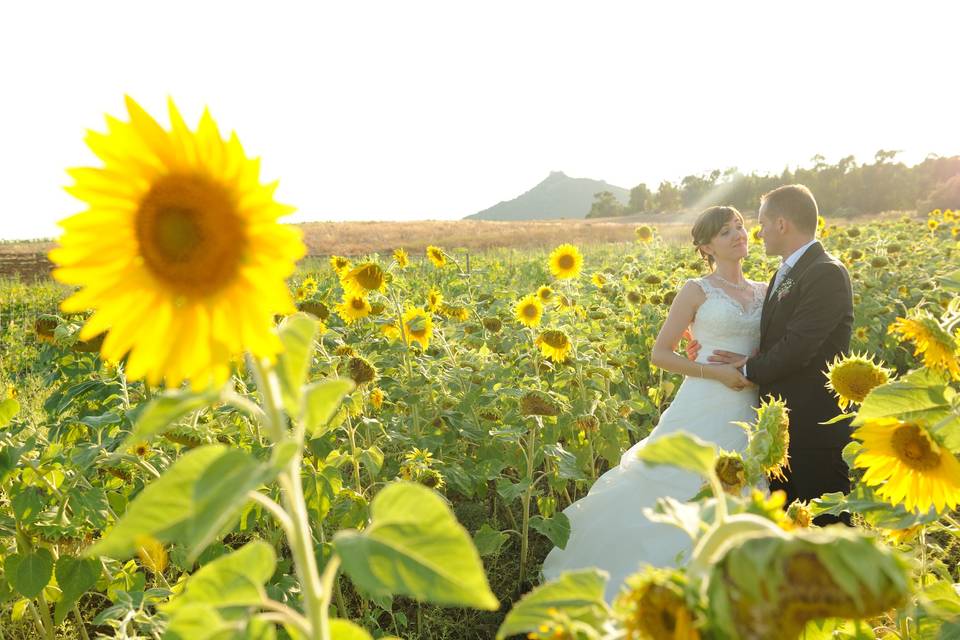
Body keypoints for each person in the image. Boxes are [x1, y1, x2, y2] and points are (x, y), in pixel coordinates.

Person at [540, 205, 764, 603]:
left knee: (742, 489)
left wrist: (750, 364)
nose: (738, 234)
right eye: (726, 231)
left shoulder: (765, 290)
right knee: (679, 487)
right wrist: (716, 372)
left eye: (740, 226)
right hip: (705, 399)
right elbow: (661, 354)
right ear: (707, 246)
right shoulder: (697, 290)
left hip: (749, 404)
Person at [695, 184, 854, 523]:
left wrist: (746, 370)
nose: (758, 232)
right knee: (790, 528)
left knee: (831, 530)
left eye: (762, 223)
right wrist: (705, 344)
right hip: (779, 426)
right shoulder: (784, 272)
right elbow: (769, 338)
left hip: (813, 426)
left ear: (781, 224)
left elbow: (798, 347)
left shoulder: (825, 271)